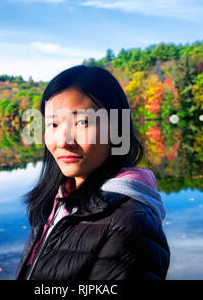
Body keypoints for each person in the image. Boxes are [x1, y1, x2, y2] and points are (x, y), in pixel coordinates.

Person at [15, 65, 170, 280]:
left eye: (82, 122)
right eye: (53, 124)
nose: (63, 141)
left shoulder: (129, 222)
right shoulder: (58, 203)